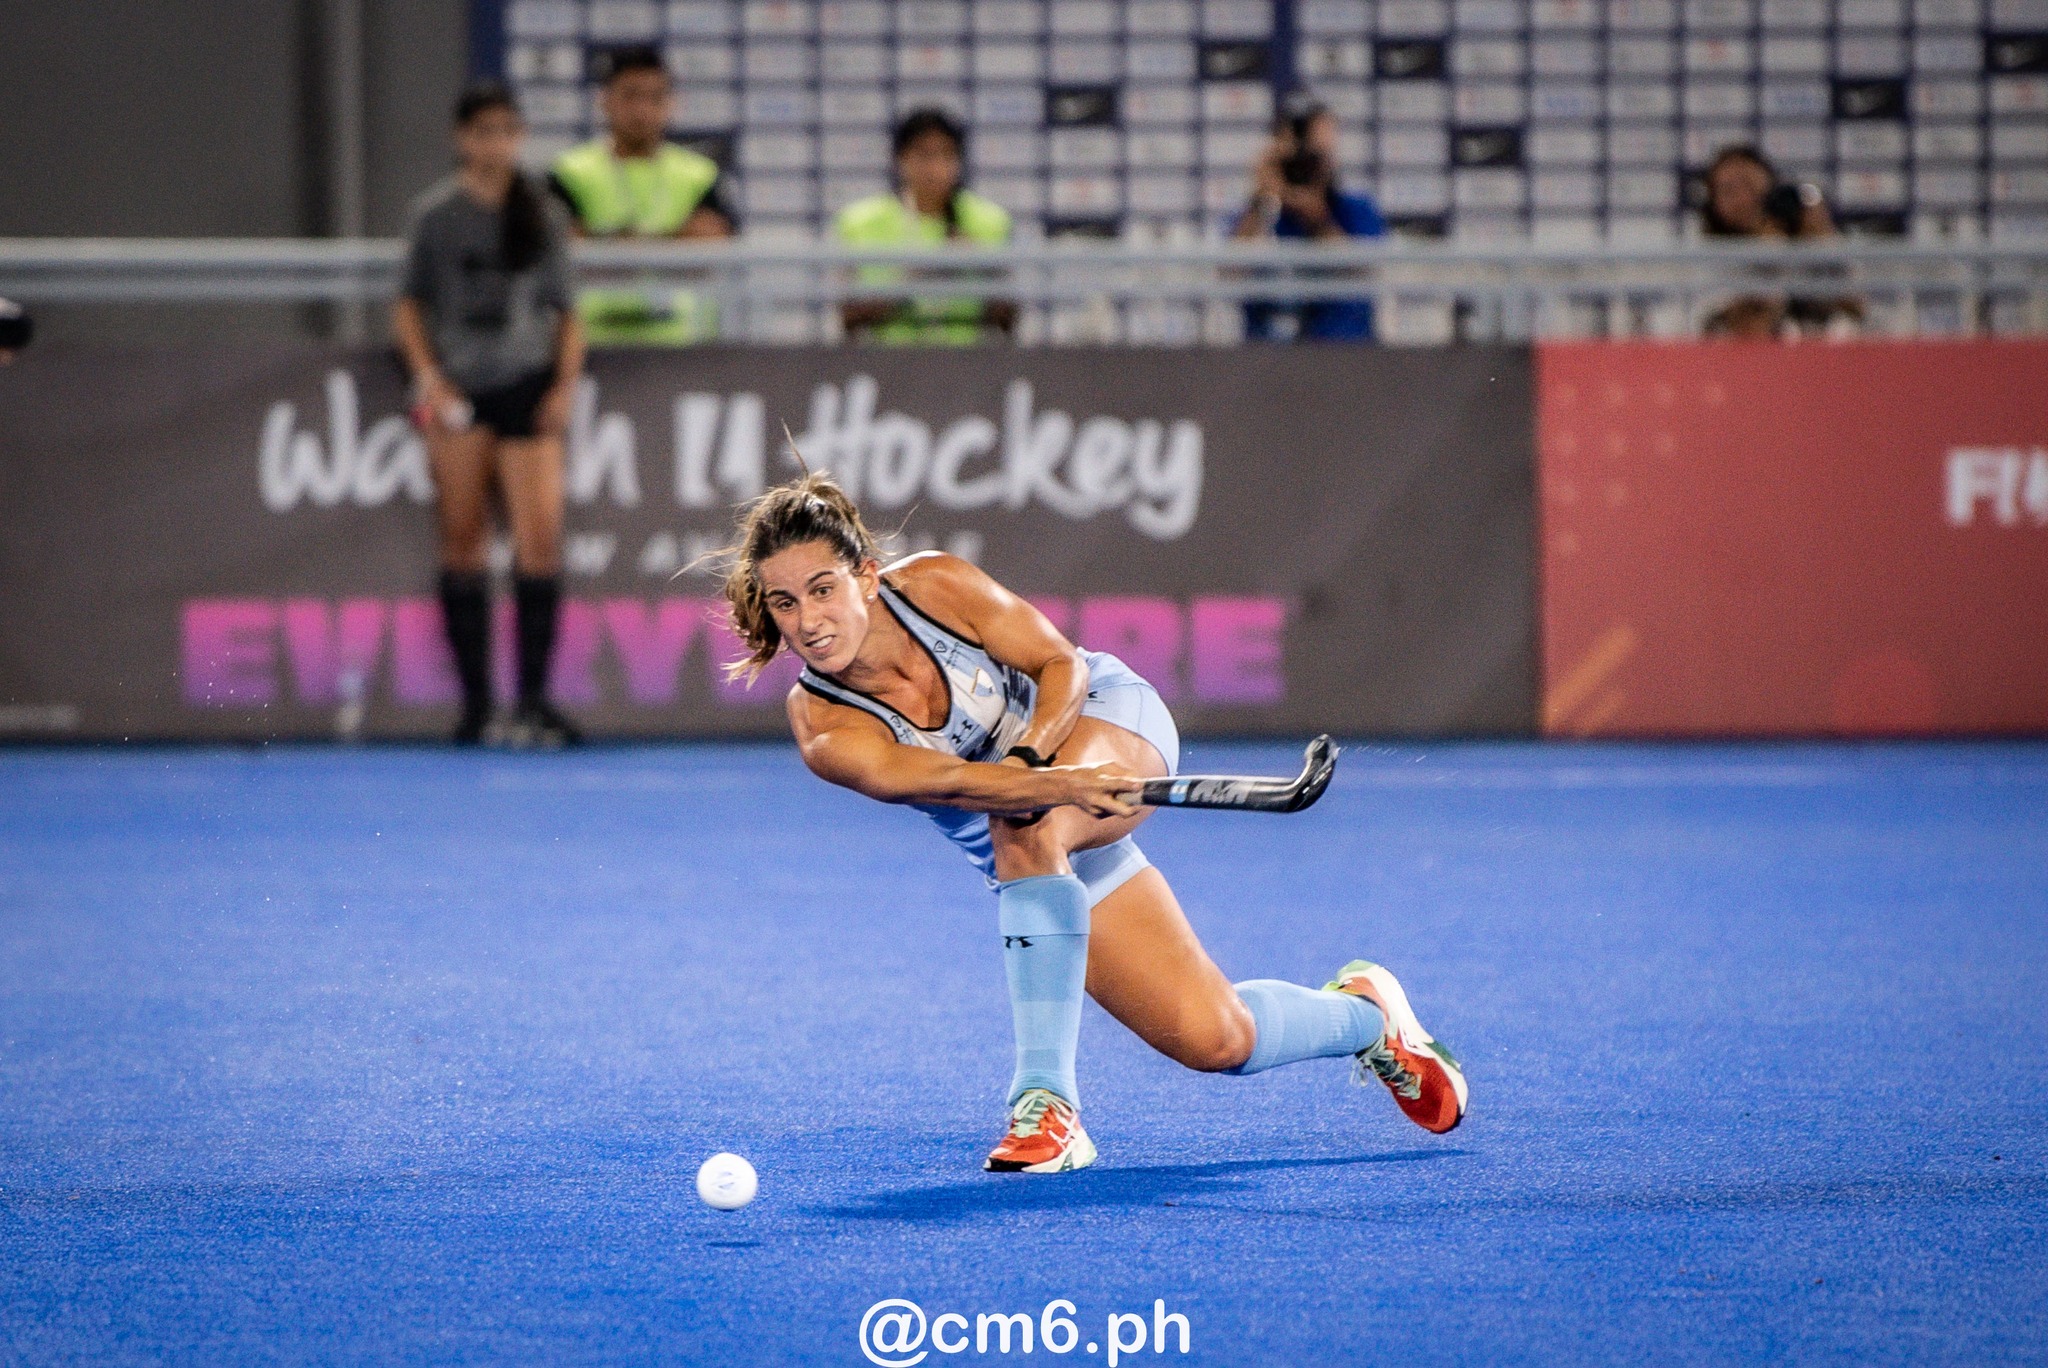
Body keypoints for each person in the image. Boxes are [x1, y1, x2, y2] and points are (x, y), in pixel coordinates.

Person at [719, 472, 1468, 1173]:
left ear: (867, 578)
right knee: (1216, 1037)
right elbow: (949, 778)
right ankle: (1369, 1019)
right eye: (785, 603)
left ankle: (1046, 1107)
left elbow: (1059, 665)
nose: (808, 621)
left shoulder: (938, 585)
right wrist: (1047, 782)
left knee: (1027, 821)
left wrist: (1041, 759)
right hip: (1035, 849)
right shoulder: (824, 727)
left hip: (1108, 719)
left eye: (823, 589)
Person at [394, 82, 585, 746]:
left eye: (507, 130)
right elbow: (408, 305)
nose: (495, 143)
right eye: (483, 131)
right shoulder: (436, 217)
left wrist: (562, 387)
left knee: (538, 543)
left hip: (527, 387)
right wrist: (429, 378)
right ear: (461, 138)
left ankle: (533, 701)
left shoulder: (541, 212)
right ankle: (476, 707)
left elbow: (568, 312)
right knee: (463, 542)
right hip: (459, 391)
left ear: (519, 136)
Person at [548, 46, 735, 345]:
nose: (642, 110)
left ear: (671, 104)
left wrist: (610, 245)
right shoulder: (571, 172)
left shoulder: (699, 174)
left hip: (683, 342)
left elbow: (713, 243)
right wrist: (673, 243)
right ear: (605, 101)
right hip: (593, 342)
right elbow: (559, 247)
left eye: (655, 98)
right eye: (630, 96)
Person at [834, 108, 1017, 344]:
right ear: (900, 159)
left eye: (946, 154)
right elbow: (849, 320)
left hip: (966, 364)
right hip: (888, 364)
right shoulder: (859, 221)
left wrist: (981, 270)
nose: (935, 168)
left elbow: (1007, 321)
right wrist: (913, 279)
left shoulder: (990, 221)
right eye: (923, 154)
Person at [1232, 94, 1386, 342]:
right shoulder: (1258, 214)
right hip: (1267, 360)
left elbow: (1363, 270)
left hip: (1343, 354)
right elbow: (1231, 271)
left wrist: (1316, 217)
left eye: (1316, 157)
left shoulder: (1355, 208)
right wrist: (1261, 199)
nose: (1303, 167)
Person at [1699, 144, 1862, 339]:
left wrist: (1825, 246)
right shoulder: (1704, 257)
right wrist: (1768, 256)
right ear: (1713, 201)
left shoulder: (1809, 243)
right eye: (1729, 190)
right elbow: (1745, 328)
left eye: (1750, 186)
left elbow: (1857, 310)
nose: (1743, 199)